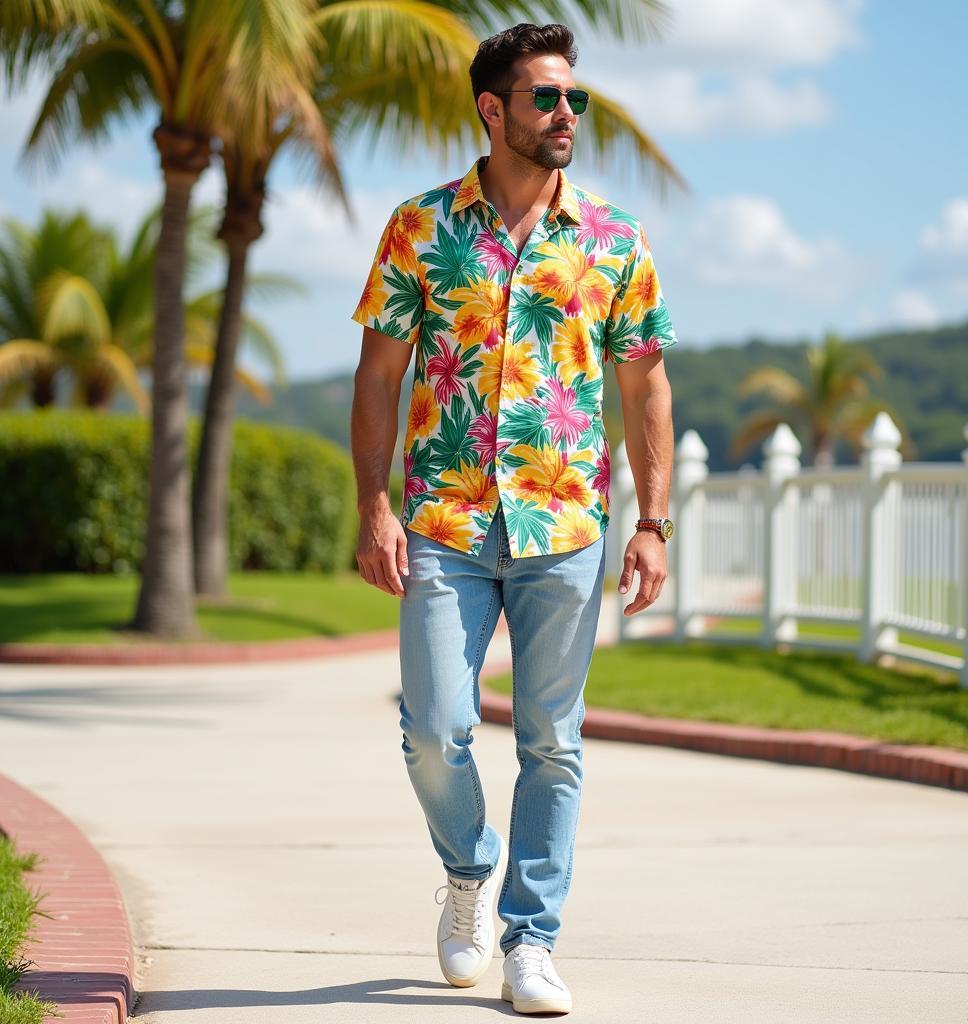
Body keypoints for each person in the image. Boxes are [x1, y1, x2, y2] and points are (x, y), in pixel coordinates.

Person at [350, 22, 676, 1017]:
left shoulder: (614, 241)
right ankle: (468, 868)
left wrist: (652, 520)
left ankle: (530, 940)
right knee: (435, 729)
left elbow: (647, 387)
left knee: (553, 740)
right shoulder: (421, 227)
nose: (565, 115)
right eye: (544, 98)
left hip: (565, 528)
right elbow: (377, 378)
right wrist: (373, 504)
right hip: (445, 520)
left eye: (571, 98)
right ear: (492, 111)